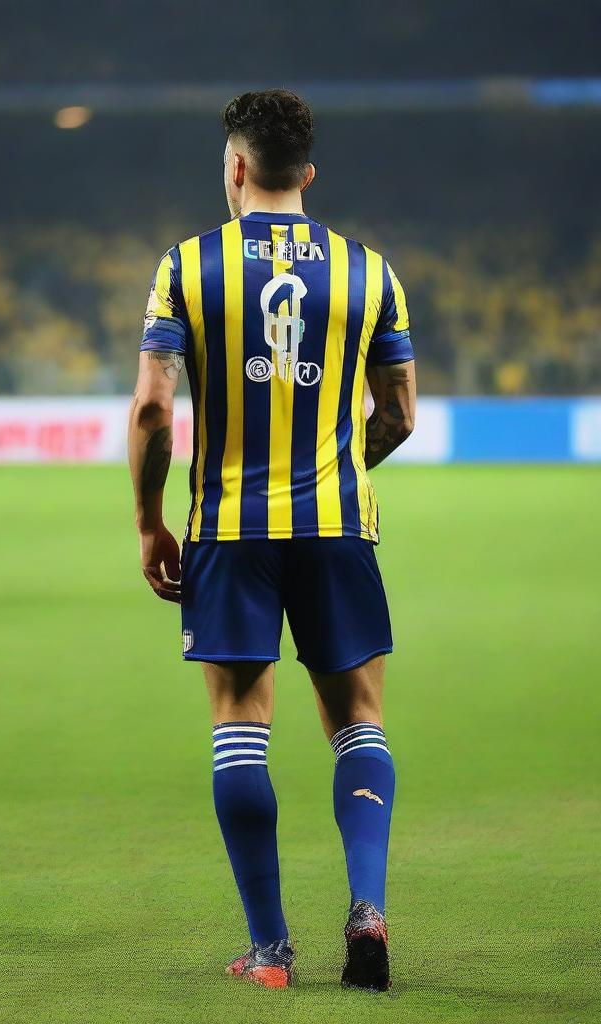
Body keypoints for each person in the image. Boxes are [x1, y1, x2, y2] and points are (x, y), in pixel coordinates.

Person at [127, 90, 416, 992]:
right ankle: (367, 911)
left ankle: (271, 952)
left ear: (238, 168)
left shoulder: (186, 266)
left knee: (240, 728)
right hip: (335, 524)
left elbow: (151, 409)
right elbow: (399, 413)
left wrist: (149, 520)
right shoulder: (372, 272)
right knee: (357, 720)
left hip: (229, 529)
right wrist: (345, 467)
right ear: (309, 174)